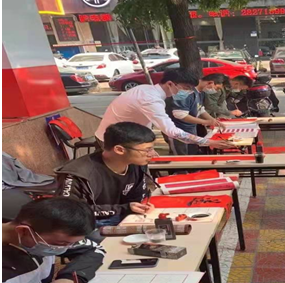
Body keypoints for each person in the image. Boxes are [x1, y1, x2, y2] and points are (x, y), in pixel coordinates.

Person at [3, 198, 104, 283]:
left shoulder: (41, 237)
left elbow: (95, 249)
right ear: (24, 231)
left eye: (71, 243)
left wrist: (68, 278)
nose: (65, 248)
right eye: (61, 243)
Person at [95, 68, 232, 150]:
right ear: (170, 84)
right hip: (114, 140)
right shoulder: (151, 98)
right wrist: (208, 142)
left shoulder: (147, 90)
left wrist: (146, 145)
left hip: (127, 136)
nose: (189, 92)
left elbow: (144, 121)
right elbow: (172, 131)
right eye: (186, 88)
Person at [56, 122, 157, 226]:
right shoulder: (77, 174)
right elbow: (69, 212)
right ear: (119, 150)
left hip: (122, 218)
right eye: (147, 150)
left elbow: (136, 199)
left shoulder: (135, 164)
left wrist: (137, 207)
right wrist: (124, 208)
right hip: (87, 225)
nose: (153, 154)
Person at [165, 73, 227, 155]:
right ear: (210, 83)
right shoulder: (186, 92)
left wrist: (213, 120)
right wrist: (205, 122)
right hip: (177, 130)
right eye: (217, 88)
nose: (217, 91)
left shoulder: (201, 92)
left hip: (191, 129)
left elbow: (200, 109)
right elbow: (180, 114)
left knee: (192, 154)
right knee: (181, 156)